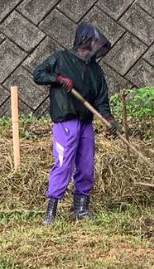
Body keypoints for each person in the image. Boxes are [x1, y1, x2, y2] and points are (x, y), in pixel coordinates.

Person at [33, 22, 118, 225]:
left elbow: (101, 99)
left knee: (86, 166)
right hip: (65, 120)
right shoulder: (60, 59)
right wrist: (59, 78)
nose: (96, 49)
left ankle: (81, 209)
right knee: (63, 164)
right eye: (94, 44)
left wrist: (108, 119)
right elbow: (38, 74)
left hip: (86, 123)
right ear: (85, 41)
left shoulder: (96, 70)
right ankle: (51, 210)